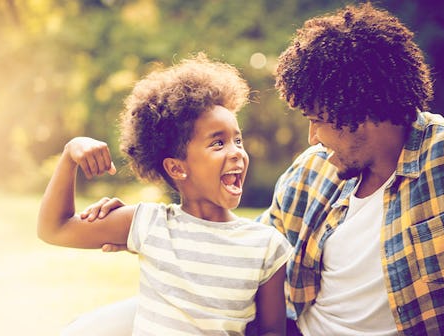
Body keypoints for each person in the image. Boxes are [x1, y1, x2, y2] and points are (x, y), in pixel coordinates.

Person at [80, 3, 444, 336]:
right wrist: (151, 230)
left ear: (363, 109)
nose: (313, 136)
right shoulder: (312, 172)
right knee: (100, 327)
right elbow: (244, 245)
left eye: (319, 118)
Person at [37, 54, 290, 336]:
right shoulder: (149, 223)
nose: (237, 152)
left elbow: (271, 331)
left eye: (238, 140)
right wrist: (71, 153)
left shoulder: (266, 245)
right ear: (176, 168)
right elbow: (54, 229)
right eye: (218, 143)